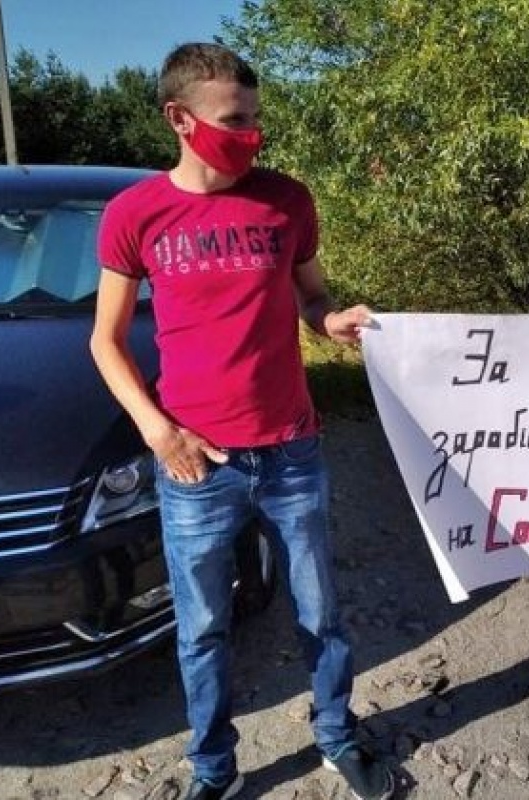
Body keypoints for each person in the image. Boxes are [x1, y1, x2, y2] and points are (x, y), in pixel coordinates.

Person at [90, 43, 393, 800]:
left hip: (292, 450)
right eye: (236, 120)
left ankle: (335, 735)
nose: (253, 134)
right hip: (199, 464)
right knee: (202, 631)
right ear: (179, 119)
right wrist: (161, 434)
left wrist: (336, 322)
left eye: (257, 119)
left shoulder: (287, 199)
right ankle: (214, 771)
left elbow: (313, 302)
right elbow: (106, 340)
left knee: (321, 615)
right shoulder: (136, 214)